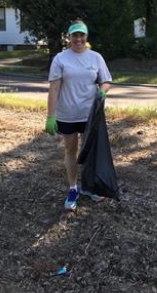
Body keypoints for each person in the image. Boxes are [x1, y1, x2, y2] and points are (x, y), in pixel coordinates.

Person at [45, 22, 112, 211]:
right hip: (67, 115)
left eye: (82, 35)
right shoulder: (60, 59)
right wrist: (51, 115)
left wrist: (102, 91)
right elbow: (54, 88)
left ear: (87, 37)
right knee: (71, 149)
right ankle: (73, 188)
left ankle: (89, 187)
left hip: (89, 115)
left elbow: (106, 80)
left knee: (89, 150)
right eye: (75, 36)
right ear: (69, 38)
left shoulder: (95, 57)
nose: (78, 39)